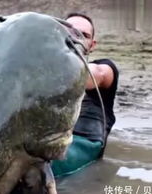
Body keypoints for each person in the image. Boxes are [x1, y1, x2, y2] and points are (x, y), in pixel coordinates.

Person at [51, 13, 119, 178]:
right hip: (47, 141)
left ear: (92, 44)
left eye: (83, 35)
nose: (74, 38)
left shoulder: (105, 68)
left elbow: (97, 74)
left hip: (84, 144)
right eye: (69, 32)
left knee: (39, 165)